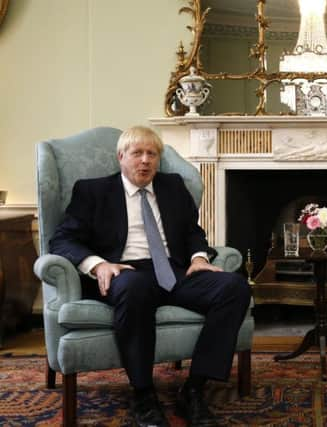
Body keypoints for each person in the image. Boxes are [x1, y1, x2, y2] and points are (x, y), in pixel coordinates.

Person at [49, 125, 251, 427]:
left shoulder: (172, 186)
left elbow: (192, 232)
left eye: (152, 154)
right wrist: (98, 265)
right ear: (121, 157)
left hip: (174, 271)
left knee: (234, 286)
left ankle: (194, 388)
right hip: (125, 272)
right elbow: (62, 240)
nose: (145, 160)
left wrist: (197, 258)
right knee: (135, 287)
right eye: (137, 153)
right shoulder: (93, 191)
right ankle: (143, 394)